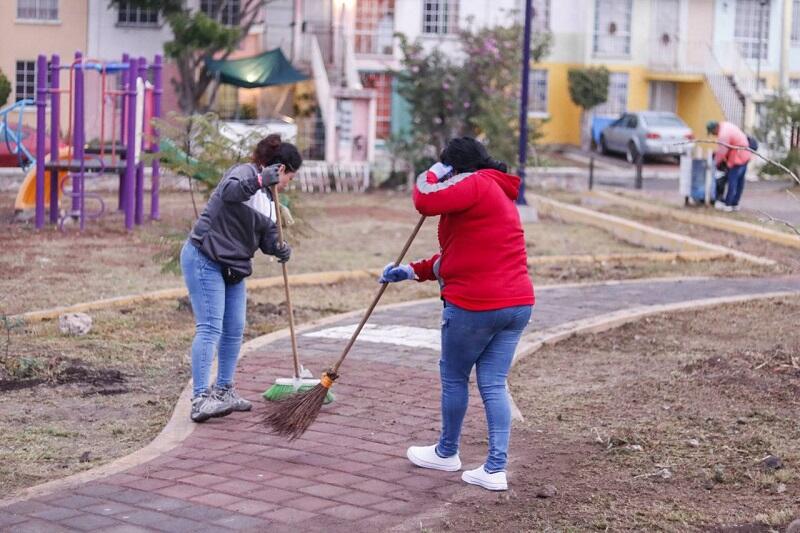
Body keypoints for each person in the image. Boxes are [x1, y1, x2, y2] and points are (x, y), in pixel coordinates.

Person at [380, 137, 535, 491]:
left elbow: (424, 200)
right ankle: (495, 469)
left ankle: (447, 452)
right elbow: (463, 256)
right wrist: (411, 271)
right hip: (517, 304)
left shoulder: (475, 183)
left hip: (476, 306)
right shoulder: (495, 191)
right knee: (494, 384)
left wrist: (432, 173)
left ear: (454, 169)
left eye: (446, 168)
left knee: (454, 377)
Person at [180, 134, 302, 423]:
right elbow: (230, 193)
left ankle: (224, 390)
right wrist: (261, 180)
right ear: (281, 170)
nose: (288, 185)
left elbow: (267, 239)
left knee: (234, 328)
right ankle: (200, 399)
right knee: (211, 327)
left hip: (233, 266)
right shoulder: (245, 173)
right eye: (290, 178)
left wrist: (279, 248)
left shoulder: (271, 202)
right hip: (205, 255)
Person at [706, 120, 752, 212]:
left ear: (715, 128)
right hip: (745, 154)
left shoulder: (723, 134)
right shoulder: (726, 125)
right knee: (740, 181)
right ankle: (735, 203)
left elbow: (722, 151)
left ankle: (728, 204)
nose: (714, 135)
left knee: (732, 181)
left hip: (738, 156)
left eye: (712, 132)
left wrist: (716, 162)